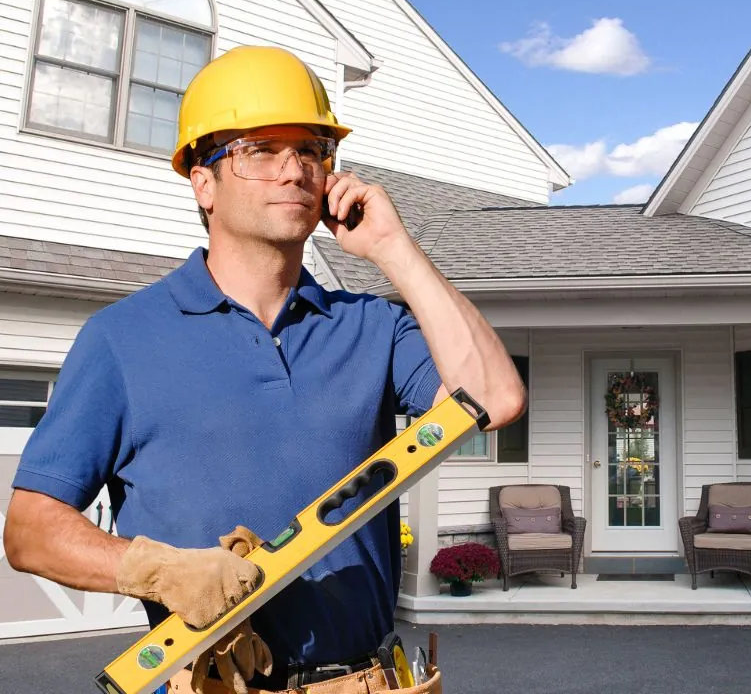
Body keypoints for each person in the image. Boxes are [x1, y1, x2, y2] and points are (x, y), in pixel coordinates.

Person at [2, 46, 526, 694]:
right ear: (202, 179)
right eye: (261, 150)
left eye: (310, 150)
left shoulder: (370, 327)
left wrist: (393, 247)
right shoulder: (122, 340)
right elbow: (30, 530)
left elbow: (496, 398)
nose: (294, 171)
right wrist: (157, 570)